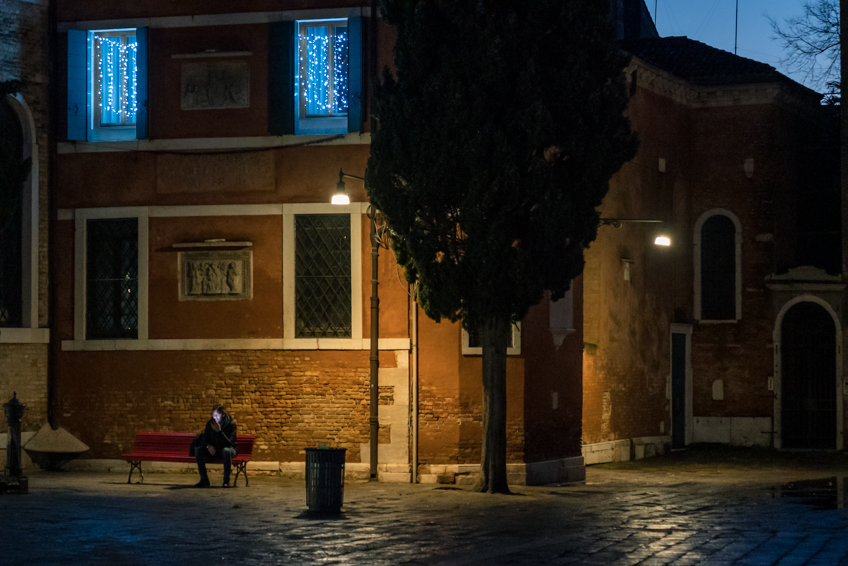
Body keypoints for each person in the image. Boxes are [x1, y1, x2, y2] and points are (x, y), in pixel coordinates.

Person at [194, 404, 238, 488]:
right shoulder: (210, 424)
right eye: (213, 415)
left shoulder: (230, 424)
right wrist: (208, 446)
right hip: (216, 449)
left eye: (217, 415)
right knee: (198, 449)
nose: (215, 417)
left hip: (230, 449)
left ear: (223, 415)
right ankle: (204, 480)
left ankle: (226, 481)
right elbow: (205, 439)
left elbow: (229, 443)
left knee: (226, 450)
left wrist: (220, 431)